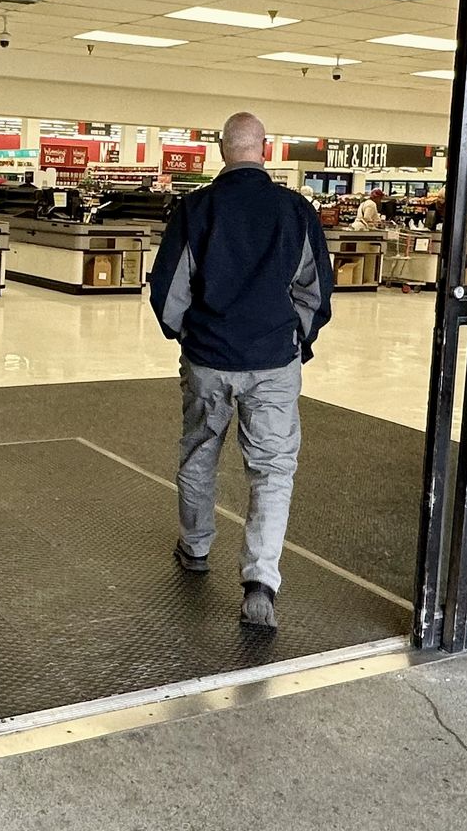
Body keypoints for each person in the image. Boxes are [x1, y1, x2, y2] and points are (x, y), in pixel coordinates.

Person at [147, 112, 332, 630]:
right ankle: (259, 582)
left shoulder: (195, 209)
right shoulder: (296, 211)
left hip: (208, 360)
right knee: (272, 471)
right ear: (264, 150)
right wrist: (293, 338)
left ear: (221, 150)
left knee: (200, 451)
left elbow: (168, 292)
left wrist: (191, 336)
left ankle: (196, 547)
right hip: (273, 362)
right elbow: (315, 292)